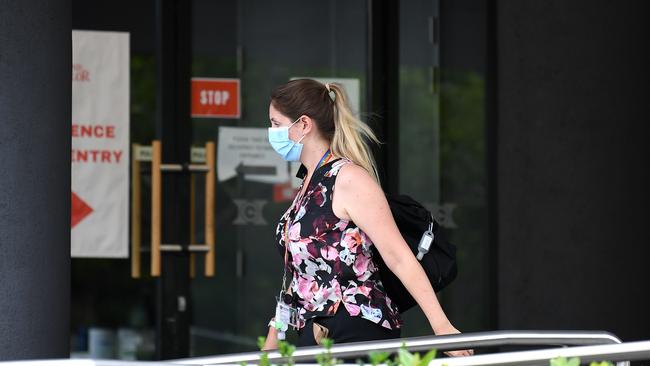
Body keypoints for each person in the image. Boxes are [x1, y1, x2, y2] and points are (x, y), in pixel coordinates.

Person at [263, 79, 472, 357]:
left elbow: (397, 255)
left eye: (276, 124)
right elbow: (299, 276)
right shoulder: (308, 185)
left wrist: (442, 327)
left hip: (356, 327)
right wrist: (270, 345)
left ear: (303, 124)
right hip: (313, 332)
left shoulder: (348, 179)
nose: (271, 132)